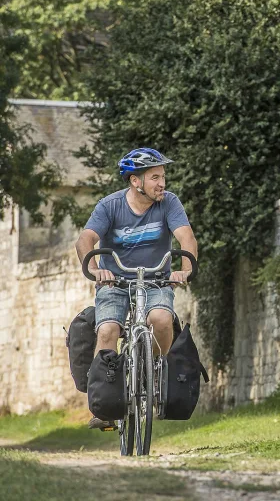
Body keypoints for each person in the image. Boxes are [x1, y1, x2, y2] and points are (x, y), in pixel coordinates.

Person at [74, 148, 198, 430]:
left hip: (156, 281)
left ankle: (157, 376)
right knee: (107, 331)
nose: (162, 183)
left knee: (162, 320)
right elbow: (86, 239)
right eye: (155, 177)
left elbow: (186, 237)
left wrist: (185, 269)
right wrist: (94, 269)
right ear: (135, 181)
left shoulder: (169, 203)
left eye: (163, 177)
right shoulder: (109, 206)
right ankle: (105, 405)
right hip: (114, 283)